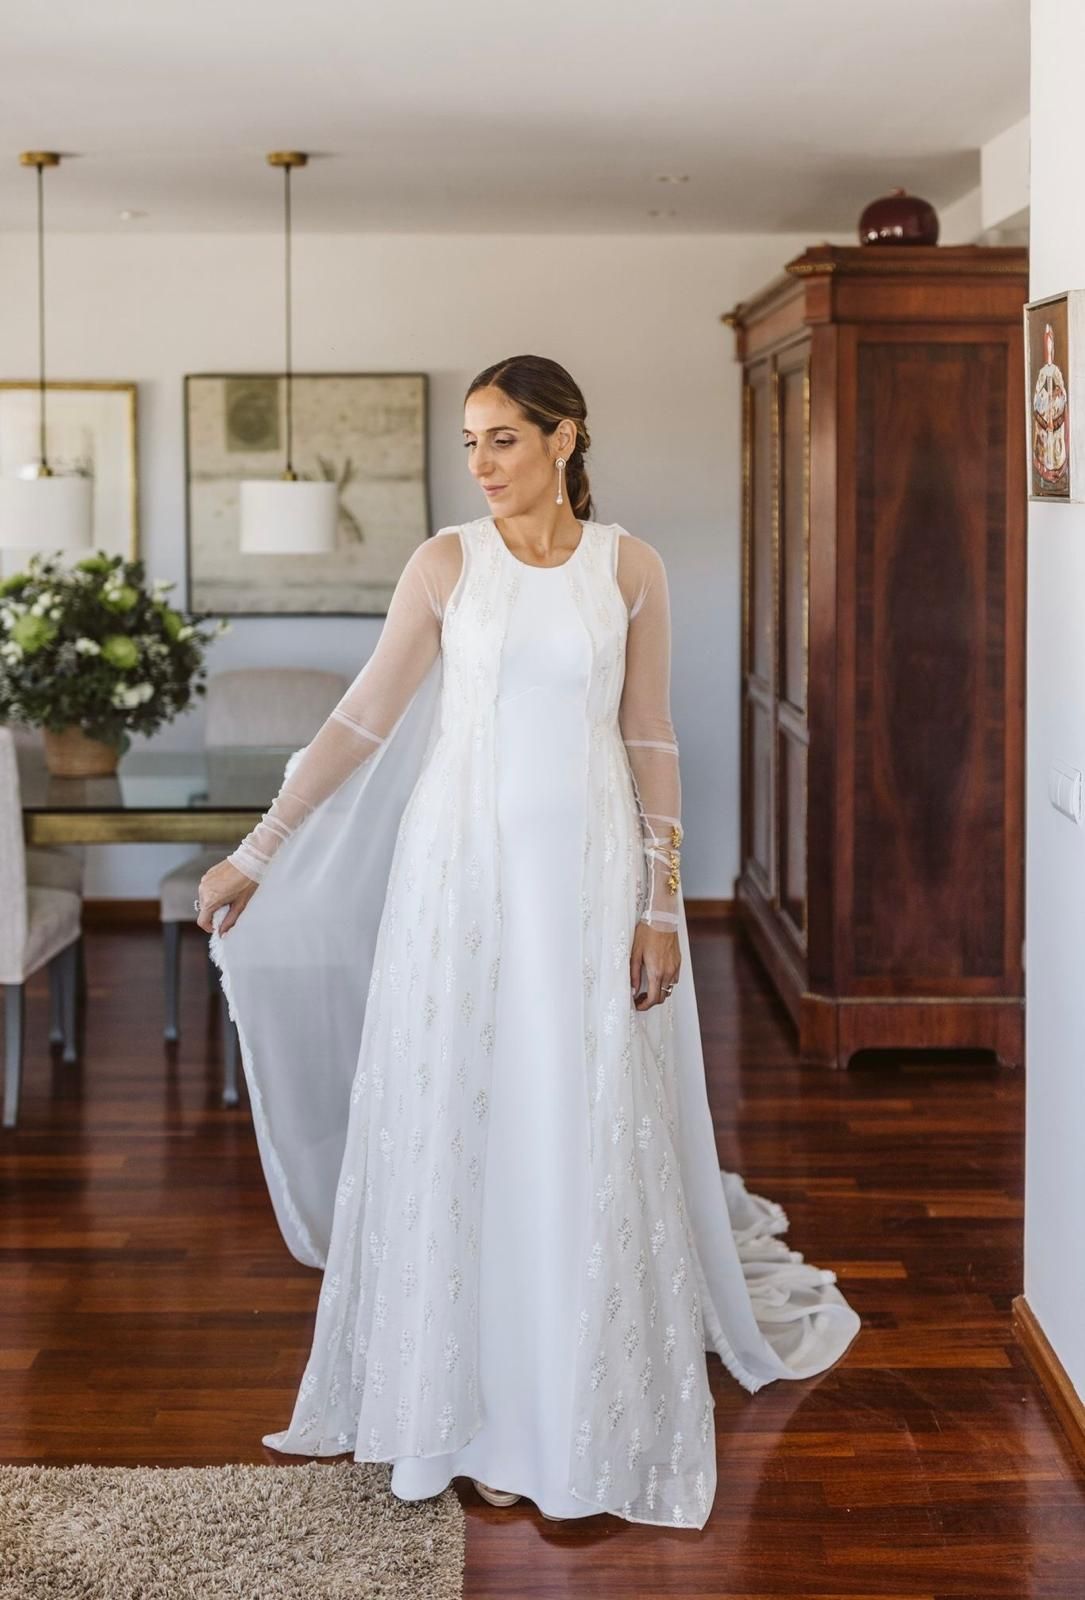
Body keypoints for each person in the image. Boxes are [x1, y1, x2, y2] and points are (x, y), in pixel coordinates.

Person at [196, 354, 861, 1530]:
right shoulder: (446, 563)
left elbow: (648, 734)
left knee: (570, 1122)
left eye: (503, 437)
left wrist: (660, 904)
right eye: (469, 441)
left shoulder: (630, 566)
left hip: (589, 875)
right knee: (469, 1115)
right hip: (457, 882)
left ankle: (564, 1404)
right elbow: (362, 716)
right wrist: (261, 847)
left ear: (565, 438)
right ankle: (465, 1405)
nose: (481, 463)